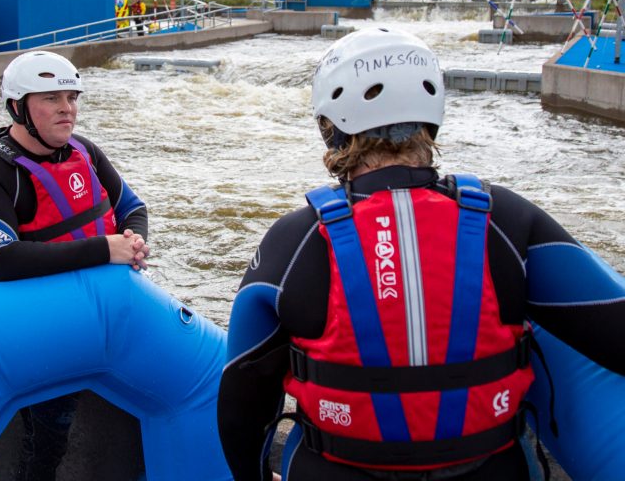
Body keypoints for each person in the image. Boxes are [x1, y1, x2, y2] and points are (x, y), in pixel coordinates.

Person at [217, 25, 625, 481]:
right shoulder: (507, 223)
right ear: (432, 118)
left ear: (330, 129)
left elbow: (240, 396)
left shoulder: (296, 241)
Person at [0, 50, 149, 481]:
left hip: (104, 308)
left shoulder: (84, 151)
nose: (68, 108)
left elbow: (132, 208)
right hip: (36, 323)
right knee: (48, 441)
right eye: (51, 99)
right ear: (18, 108)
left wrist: (134, 241)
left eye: (72, 97)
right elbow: (3, 261)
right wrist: (106, 249)